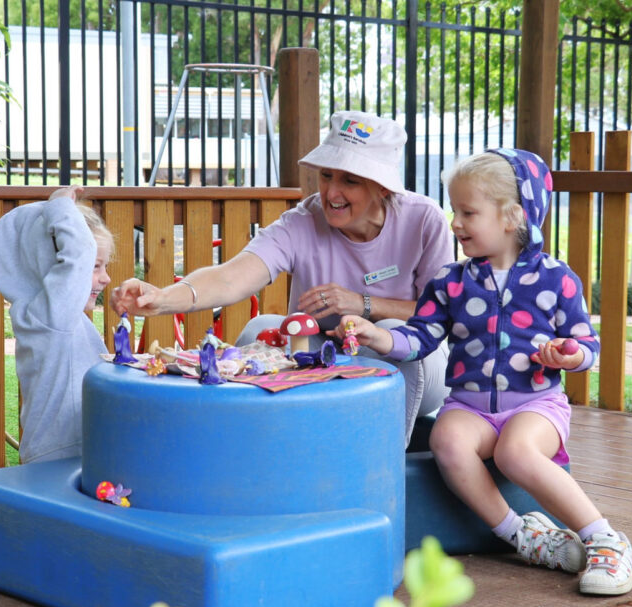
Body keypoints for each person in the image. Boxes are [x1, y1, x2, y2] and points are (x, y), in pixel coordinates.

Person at [333, 148, 632, 595]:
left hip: (536, 404)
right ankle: (523, 535)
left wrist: (568, 356)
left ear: (512, 216)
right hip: (470, 405)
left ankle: (607, 541)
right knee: (446, 440)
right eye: (454, 210)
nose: (454, 223)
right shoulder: (450, 282)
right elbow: (419, 339)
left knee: (517, 453)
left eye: (467, 212)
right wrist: (375, 336)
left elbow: (587, 345)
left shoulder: (557, 279)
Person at [110, 111, 454, 445]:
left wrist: (363, 305)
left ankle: (381, 468)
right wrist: (162, 299)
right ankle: (254, 453)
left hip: (415, 364)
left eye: (350, 180)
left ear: (382, 187)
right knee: (260, 327)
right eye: (326, 176)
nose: (331, 193)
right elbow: (232, 277)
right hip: (325, 355)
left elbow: (444, 313)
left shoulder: (424, 219)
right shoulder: (302, 221)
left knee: (393, 331)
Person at [0, 185, 114, 464]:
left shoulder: (61, 318)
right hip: (58, 454)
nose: (105, 278)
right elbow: (78, 253)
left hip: (74, 447)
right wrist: (60, 206)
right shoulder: (51, 316)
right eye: (95, 267)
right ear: (49, 264)